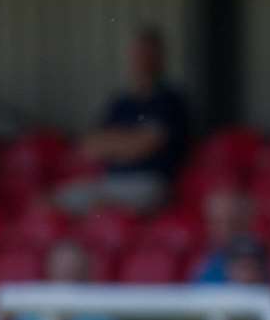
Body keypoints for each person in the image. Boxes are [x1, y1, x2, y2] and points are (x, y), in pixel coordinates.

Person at [55, 27, 189, 215]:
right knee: (52, 203)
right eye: (138, 53)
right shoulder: (120, 103)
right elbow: (90, 146)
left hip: (149, 182)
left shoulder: (170, 100)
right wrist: (130, 143)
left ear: (160, 57)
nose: (142, 59)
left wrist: (116, 145)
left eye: (148, 53)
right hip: (110, 181)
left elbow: (145, 145)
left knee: (101, 208)